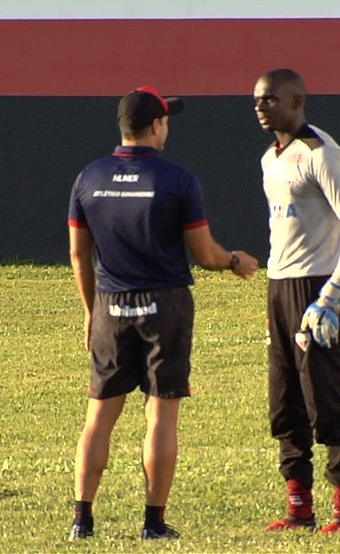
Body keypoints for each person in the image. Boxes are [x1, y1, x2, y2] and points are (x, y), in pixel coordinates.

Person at [67, 85, 258, 541]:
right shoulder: (178, 180)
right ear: (155, 126)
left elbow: (78, 255)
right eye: (166, 120)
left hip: (111, 306)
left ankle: (82, 521)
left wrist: (91, 311)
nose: (167, 126)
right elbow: (206, 254)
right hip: (164, 307)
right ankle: (153, 524)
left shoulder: (88, 178)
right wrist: (236, 261)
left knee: (99, 416)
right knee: (161, 417)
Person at [253, 68, 340, 534]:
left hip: (315, 290)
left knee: (323, 399)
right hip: (280, 286)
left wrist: (331, 294)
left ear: (297, 101)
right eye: (257, 101)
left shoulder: (320, 154)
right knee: (284, 402)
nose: (261, 107)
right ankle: (298, 507)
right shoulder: (271, 158)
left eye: (269, 100)